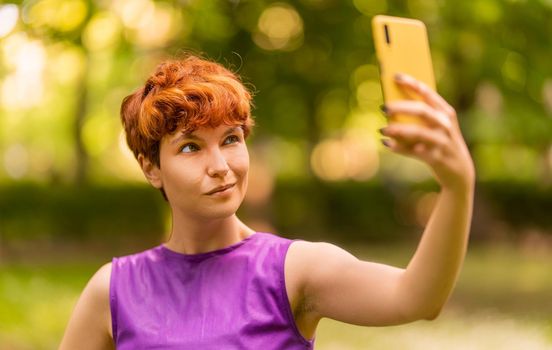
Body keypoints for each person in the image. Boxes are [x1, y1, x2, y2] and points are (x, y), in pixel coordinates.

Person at [59, 54, 475, 349]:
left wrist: (457, 187)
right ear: (152, 168)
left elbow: (417, 298)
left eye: (230, 139)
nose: (220, 165)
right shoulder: (113, 291)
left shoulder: (293, 272)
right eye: (190, 148)